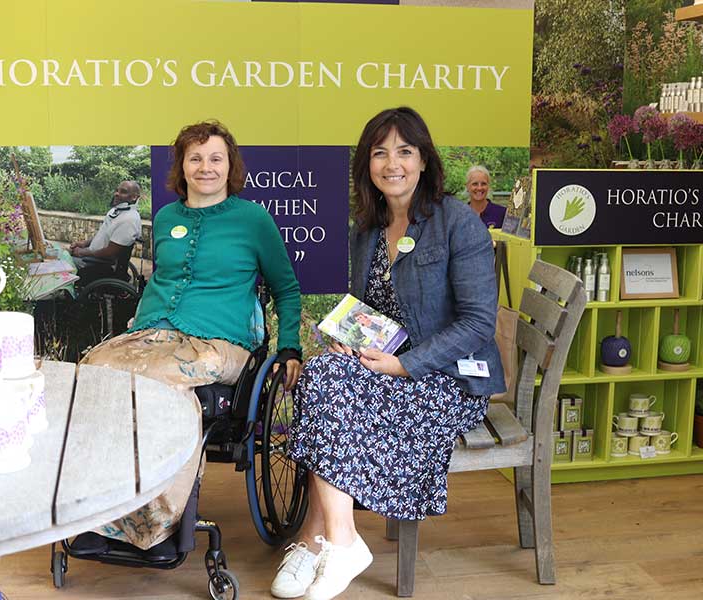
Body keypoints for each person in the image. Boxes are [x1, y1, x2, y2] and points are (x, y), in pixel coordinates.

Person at [271, 107, 504, 600]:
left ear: (424, 160)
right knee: (323, 373)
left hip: (448, 380)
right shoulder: (368, 228)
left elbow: (479, 324)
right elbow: (371, 311)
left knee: (328, 391)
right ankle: (334, 540)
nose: (392, 163)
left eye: (404, 151)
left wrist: (405, 365)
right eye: (380, 153)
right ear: (367, 164)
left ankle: (321, 541)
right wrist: (351, 340)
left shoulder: (458, 223)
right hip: (387, 368)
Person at [73, 120, 303, 557]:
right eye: (195, 158)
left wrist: (289, 347)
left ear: (230, 165)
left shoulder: (253, 220)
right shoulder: (166, 218)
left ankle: (158, 524)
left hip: (221, 344)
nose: (205, 167)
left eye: (216, 158)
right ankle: (103, 517)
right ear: (181, 166)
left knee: (163, 382)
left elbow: (286, 290)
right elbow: (163, 280)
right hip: (152, 336)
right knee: (94, 372)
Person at [70, 180, 142, 281]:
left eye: (123, 191)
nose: (116, 194)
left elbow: (109, 253)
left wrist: (82, 252)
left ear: (134, 197)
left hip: (99, 264)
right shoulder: (115, 212)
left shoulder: (129, 220)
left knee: (62, 265)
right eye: (117, 190)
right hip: (93, 257)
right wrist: (83, 243)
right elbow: (103, 235)